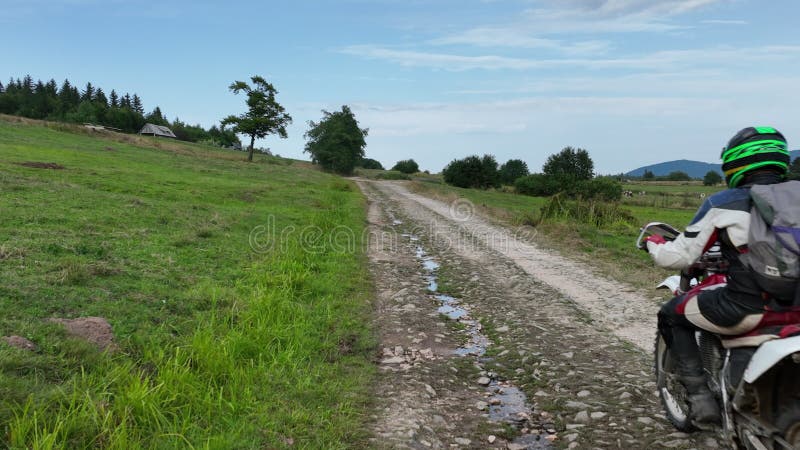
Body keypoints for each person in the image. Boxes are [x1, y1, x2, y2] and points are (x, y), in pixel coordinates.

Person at [645, 126, 792, 425]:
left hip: (749, 308)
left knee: (671, 314)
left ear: (734, 163)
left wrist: (655, 243)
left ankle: (700, 399)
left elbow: (679, 256)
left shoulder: (725, 202)